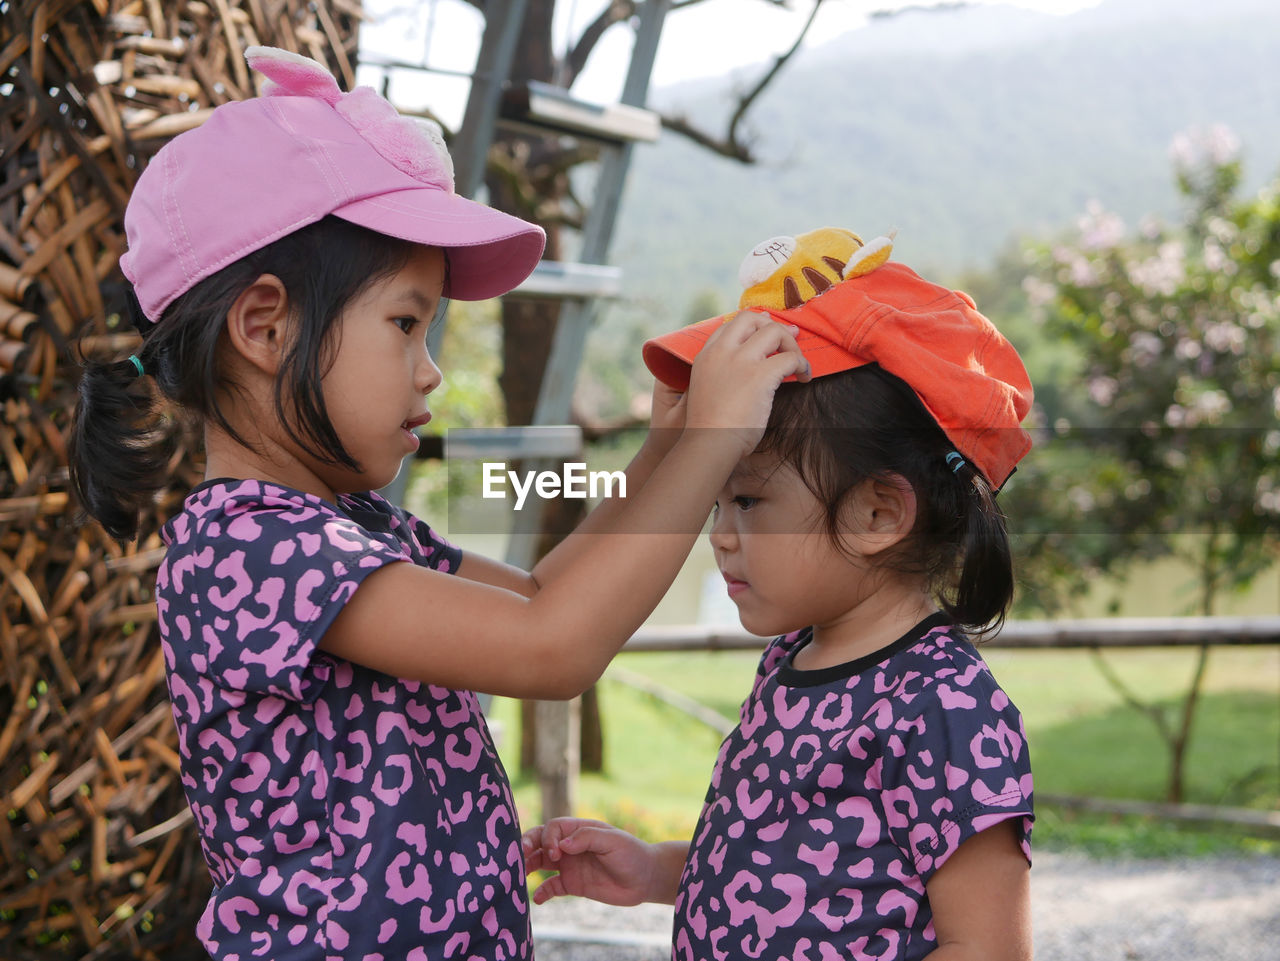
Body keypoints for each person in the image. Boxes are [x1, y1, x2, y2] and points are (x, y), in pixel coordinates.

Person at [68, 47, 809, 961]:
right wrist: (714, 444)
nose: (431, 369)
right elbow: (555, 648)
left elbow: (541, 598)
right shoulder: (248, 551)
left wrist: (664, 448)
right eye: (405, 323)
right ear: (264, 326)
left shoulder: (355, 526)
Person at [522, 227, 1036, 961]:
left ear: (878, 513)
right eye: (717, 503)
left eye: (750, 503)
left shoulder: (945, 708)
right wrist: (655, 869)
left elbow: (987, 949)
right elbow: (778, 865)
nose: (720, 535)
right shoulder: (792, 658)